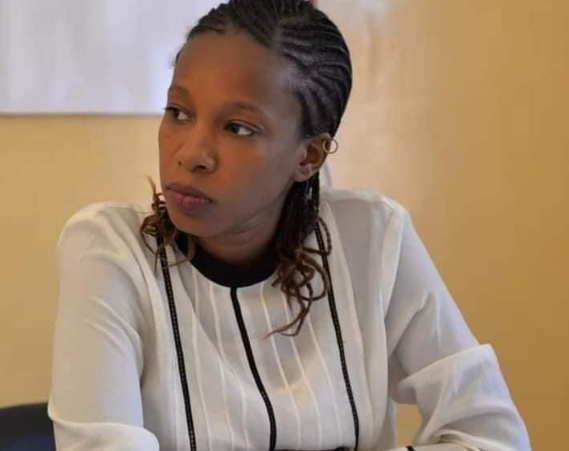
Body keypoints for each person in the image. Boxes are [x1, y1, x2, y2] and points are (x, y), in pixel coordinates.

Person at [48, 1, 531, 450]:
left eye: (238, 127)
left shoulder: (373, 237)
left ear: (309, 156)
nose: (191, 153)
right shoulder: (108, 250)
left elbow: (492, 437)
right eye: (178, 112)